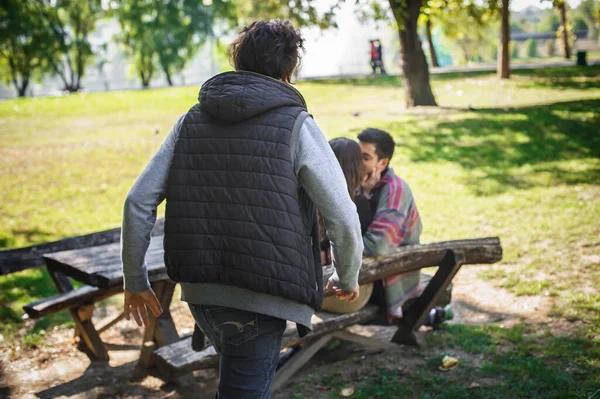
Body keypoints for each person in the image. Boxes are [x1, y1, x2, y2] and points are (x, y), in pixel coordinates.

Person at [121, 20, 363, 398]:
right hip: (258, 300)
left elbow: (137, 202)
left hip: (202, 296)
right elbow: (342, 214)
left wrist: (135, 282)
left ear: (238, 62)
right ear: (288, 70)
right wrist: (347, 277)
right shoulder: (297, 125)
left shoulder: (190, 121)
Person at [356, 128, 424, 320]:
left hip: (391, 279)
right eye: (356, 155)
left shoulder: (395, 191)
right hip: (371, 272)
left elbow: (377, 245)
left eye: (365, 157)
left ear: (383, 163)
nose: (357, 162)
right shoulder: (362, 184)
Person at [319, 138, 374, 314]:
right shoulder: (361, 206)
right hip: (347, 296)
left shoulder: (312, 202)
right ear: (358, 168)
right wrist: (365, 193)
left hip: (313, 290)